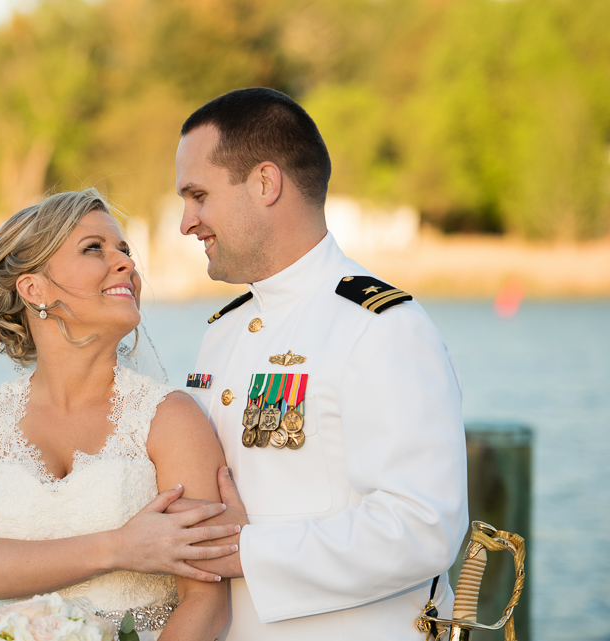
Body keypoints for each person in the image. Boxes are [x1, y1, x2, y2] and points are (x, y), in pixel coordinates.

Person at [172, 87, 470, 640]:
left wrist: (250, 552)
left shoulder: (379, 326)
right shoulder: (224, 331)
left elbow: (424, 526)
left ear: (265, 183)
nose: (186, 222)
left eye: (198, 195)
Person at [0, 189, 236, 641]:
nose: (126, 264)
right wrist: (120, 548)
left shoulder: (171, 418)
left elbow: (206, 604)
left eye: (125, 250)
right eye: (94, 248)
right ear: (34, 289)